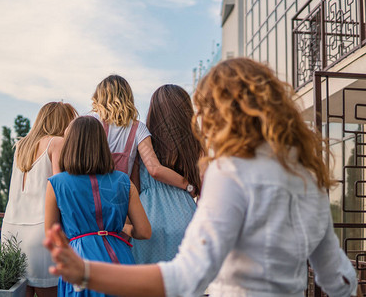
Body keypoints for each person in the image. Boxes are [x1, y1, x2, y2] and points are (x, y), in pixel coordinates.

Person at [44, 58, 361, 297]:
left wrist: (86, 272)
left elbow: (186, 277)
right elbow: (339, 279)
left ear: (224, 114)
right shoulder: (308, 177)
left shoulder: (231, 172)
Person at [44, 116, 151, 297]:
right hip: (121, 262)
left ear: (70, 145)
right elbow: (144, 231)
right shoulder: (123, 181)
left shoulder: (56, 184)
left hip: (80, 263)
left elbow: (51, 235)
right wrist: (123, 228)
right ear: (102, 144)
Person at [1, 101, 78, 297]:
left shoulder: (20, 145)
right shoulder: (56, 143)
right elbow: (60, 186)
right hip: (42, 230)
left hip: (11, 232)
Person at [132, 84, 203, 264]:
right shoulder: (195, 145)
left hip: (147, 219)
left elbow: (134, 185)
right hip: (186, 217)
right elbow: (202, 191)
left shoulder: (143, 142)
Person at [91, 75, 196, 195]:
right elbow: (155, 169)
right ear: (128, 97)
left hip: (90, 195)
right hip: (118, 200)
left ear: (99, 97)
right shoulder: (138, 129)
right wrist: (187, 185)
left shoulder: (90, 122)